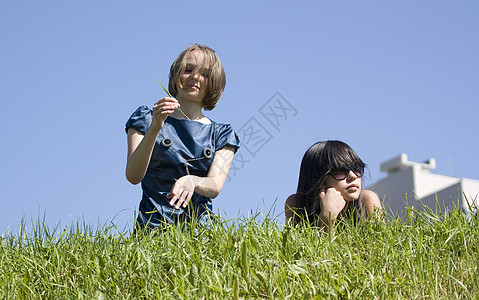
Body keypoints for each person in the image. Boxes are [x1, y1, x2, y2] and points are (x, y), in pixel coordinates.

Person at [125, 44, 240, 229]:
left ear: (214, 82)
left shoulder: (221, 134)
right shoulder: (145, 119)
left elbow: (215, 185)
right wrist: (155, 127)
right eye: (188, 69)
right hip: (153, 228)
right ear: (176, 73)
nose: (195, 77)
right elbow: (133, 175)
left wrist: (193, 181)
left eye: (205, 74)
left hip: (200, 233)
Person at [285, 140, 382, 232]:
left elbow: (380, 247)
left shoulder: (367, 200)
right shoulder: (295, 205)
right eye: (341, 170)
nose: (353, 176)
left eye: (357, 168)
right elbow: (301, 249)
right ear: (319, 178)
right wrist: (326, 219)